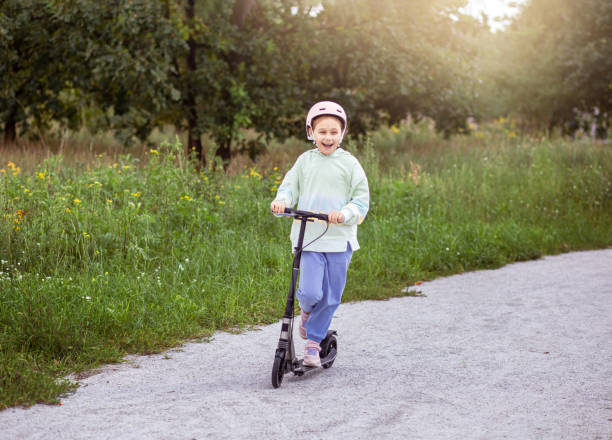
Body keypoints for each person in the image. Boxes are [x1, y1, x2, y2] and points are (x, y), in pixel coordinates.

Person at [270, 101, 370, 367]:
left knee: (331, 296)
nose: (328, 137)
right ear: (311, 132)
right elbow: (289, 188)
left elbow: (361, 201)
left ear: (342, 133)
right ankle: (306, 313)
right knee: (312, 292)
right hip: (310, 239)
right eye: (322, 131)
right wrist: (282, 202)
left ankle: (313, 345)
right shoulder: (304, 161)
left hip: (340, 240)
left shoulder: (350, 164)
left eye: (334, 132)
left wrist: (345, 214)